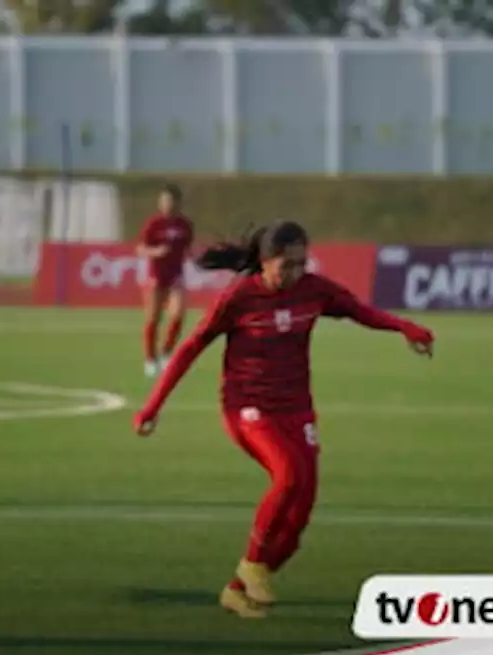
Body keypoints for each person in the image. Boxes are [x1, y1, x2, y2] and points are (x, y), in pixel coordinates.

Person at [132, 221, 435, 619]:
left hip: (297, 409)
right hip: (248, 409)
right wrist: (153, 405)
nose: (294, 273)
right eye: (286, 265)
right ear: (264, 261)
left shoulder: (314, 290)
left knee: (298, 518)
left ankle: (238, 590)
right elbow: (191, 347)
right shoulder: (239, 297)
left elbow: (360, 311)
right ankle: (252, 565)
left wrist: (404, 327)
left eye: (300, 263)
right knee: (288, 475)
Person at [136, 184, 194, 378]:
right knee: (153, 319)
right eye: (163, 201)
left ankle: (166, 353)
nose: (166, 204)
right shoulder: (153, 224)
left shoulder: (185, 225)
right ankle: (150, 360)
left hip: (175, 277)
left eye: (170, 201)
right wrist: (156, 252)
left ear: (178, 203)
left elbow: (188, 249)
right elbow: (140, 248)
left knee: (178, 315)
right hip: (156, 278)